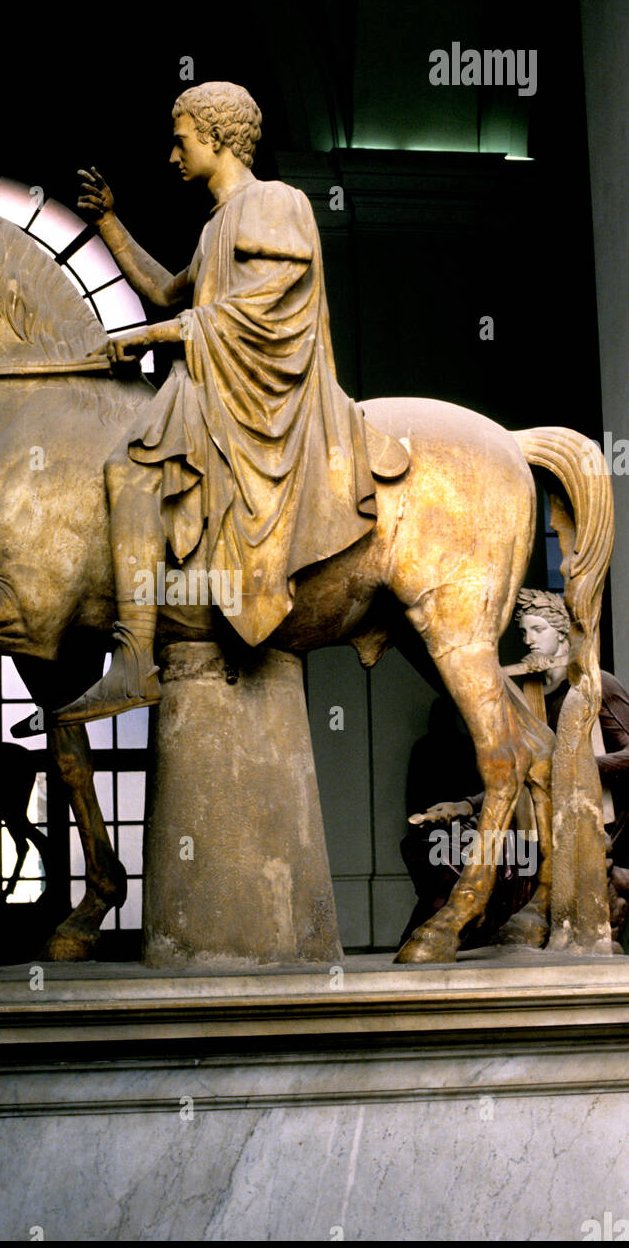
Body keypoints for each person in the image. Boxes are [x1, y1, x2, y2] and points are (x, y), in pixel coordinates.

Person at [55, 81, 402, 725]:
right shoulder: (218, 222)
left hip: (254, 390)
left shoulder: (273, 202)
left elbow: (254, 312)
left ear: (214, 136)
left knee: (130, 470)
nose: (172, 155)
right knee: (129, 469)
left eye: (180, 139)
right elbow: (167, 292)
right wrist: (109, 222)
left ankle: (133, 659)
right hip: (214, 379)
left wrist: (150, 337)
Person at [400, 588, 629, 947]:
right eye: (524, 632)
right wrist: (467, 805)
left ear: (562, 632)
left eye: (538, 630)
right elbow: (520, 771)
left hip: (586, 829)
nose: (529, 639)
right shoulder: (530, 692)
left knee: (480, 863)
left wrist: (576, 767)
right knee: (436, 852)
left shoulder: (598, 685)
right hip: (533, 826)